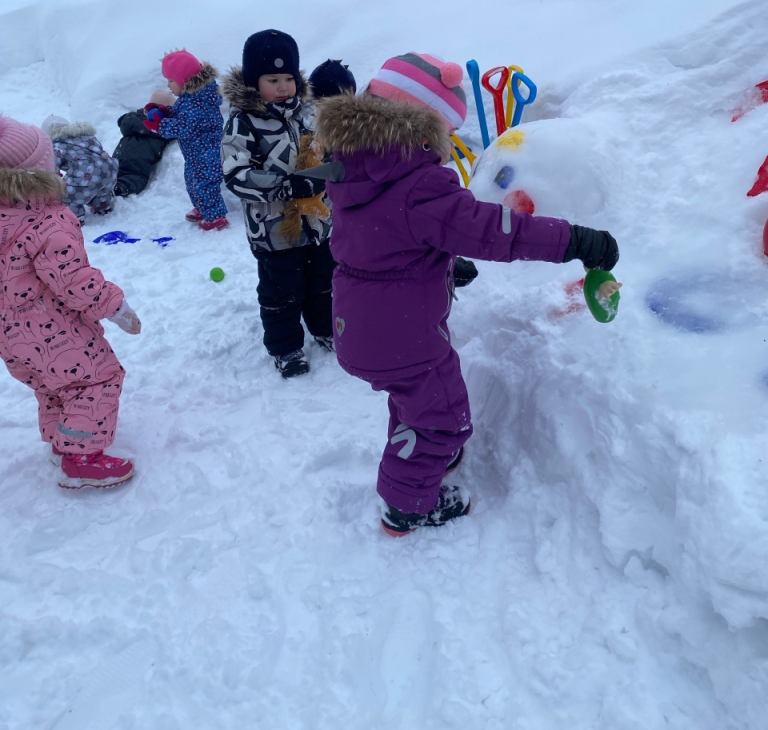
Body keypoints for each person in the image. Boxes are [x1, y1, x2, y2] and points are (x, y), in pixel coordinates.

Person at [315, 51, 619, 537]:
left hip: (362, 323)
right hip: (404, 336)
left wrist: (439, 261)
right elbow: (496, 230)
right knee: (444, 417)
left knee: (415, 401)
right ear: (424, 126)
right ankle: (407, 505)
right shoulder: (417, 182)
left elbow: (381, 240)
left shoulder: (357, 167)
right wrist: (575, 240)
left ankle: (425, 453)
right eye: (446, 131)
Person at [0, 115, 141, 490]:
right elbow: (72, 278)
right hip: (53, 328)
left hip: (11, 335)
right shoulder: (48, 220)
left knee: (52, 386)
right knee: (95, 381)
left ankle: (61, 442)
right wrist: (114, 306)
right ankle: (81, 460)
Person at [221, 29, 334, 378]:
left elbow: (329, 150)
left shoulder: (310, 112)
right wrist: (286, 186)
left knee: (323, 282)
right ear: (254, 82)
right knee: (281, 291)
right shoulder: (243, 121)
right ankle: (286, 348)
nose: (283, 87)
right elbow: (236, 174)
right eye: (273, 80)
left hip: (317, 223)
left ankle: (326, 328)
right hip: (273, 229)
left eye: (289, 78)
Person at [144, 49, 229, 231]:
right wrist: (166, 112)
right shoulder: (189, 98)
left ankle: (216, 217)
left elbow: (185, 128)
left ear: (184, 79)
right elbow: (182, 115)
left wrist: (161, 125)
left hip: (207, 155)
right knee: (192, 182)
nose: (168, 85)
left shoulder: (198, 103)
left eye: (171, 80)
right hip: (195, 155)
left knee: (205, 186)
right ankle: (201, 207)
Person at [41, 115, 119, 224]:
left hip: (87, 175)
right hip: (110, 170)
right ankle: (102, 204)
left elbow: (52, 167)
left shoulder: (57, 145)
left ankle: (75, 217)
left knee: (67, 195)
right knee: (98, 186)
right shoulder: (88, 137)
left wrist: (55, 179)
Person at [113, 89, 176, 197]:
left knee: (113, 172)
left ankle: (102, 185)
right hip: (138, 163)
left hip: (119, 155)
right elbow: (177, 132)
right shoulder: (162, 128)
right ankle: (118, 190)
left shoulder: (134, 120)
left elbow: (123, 121)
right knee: (135, 180)